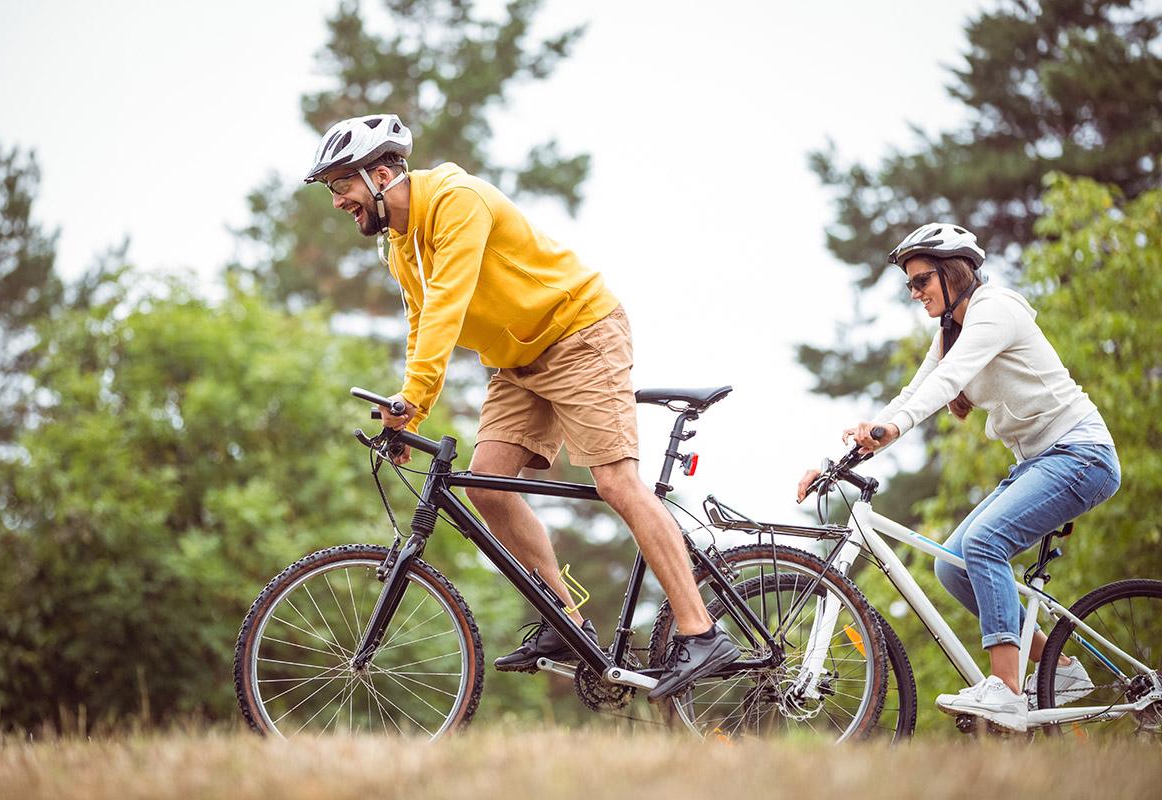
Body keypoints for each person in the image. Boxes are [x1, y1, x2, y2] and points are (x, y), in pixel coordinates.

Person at [304, 114, 739, 701]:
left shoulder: (456, 200)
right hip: (517, 360)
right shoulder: (399, 246)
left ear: (382, 174)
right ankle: (567, 622)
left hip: (579, 329)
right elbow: (420, 325)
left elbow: (447, 307)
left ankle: (701, 631)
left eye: (342, 186)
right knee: (486, 487)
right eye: (332, 190)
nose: (338, 201)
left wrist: (414, 395)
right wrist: (413, 411)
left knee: (615, 482)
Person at [796, 223, 1121, 732]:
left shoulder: (995, 310)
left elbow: (948, 381)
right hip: (1039, 462)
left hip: (1081, 455)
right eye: (909, 285)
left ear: (954, 273)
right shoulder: (951, 330)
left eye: (921, 280)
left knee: (985, 543)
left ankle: (1007, 691)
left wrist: (892, 427)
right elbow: (913, 392)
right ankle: (1061, 668)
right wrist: (847, 451)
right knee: (952, 565)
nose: (915, 293)